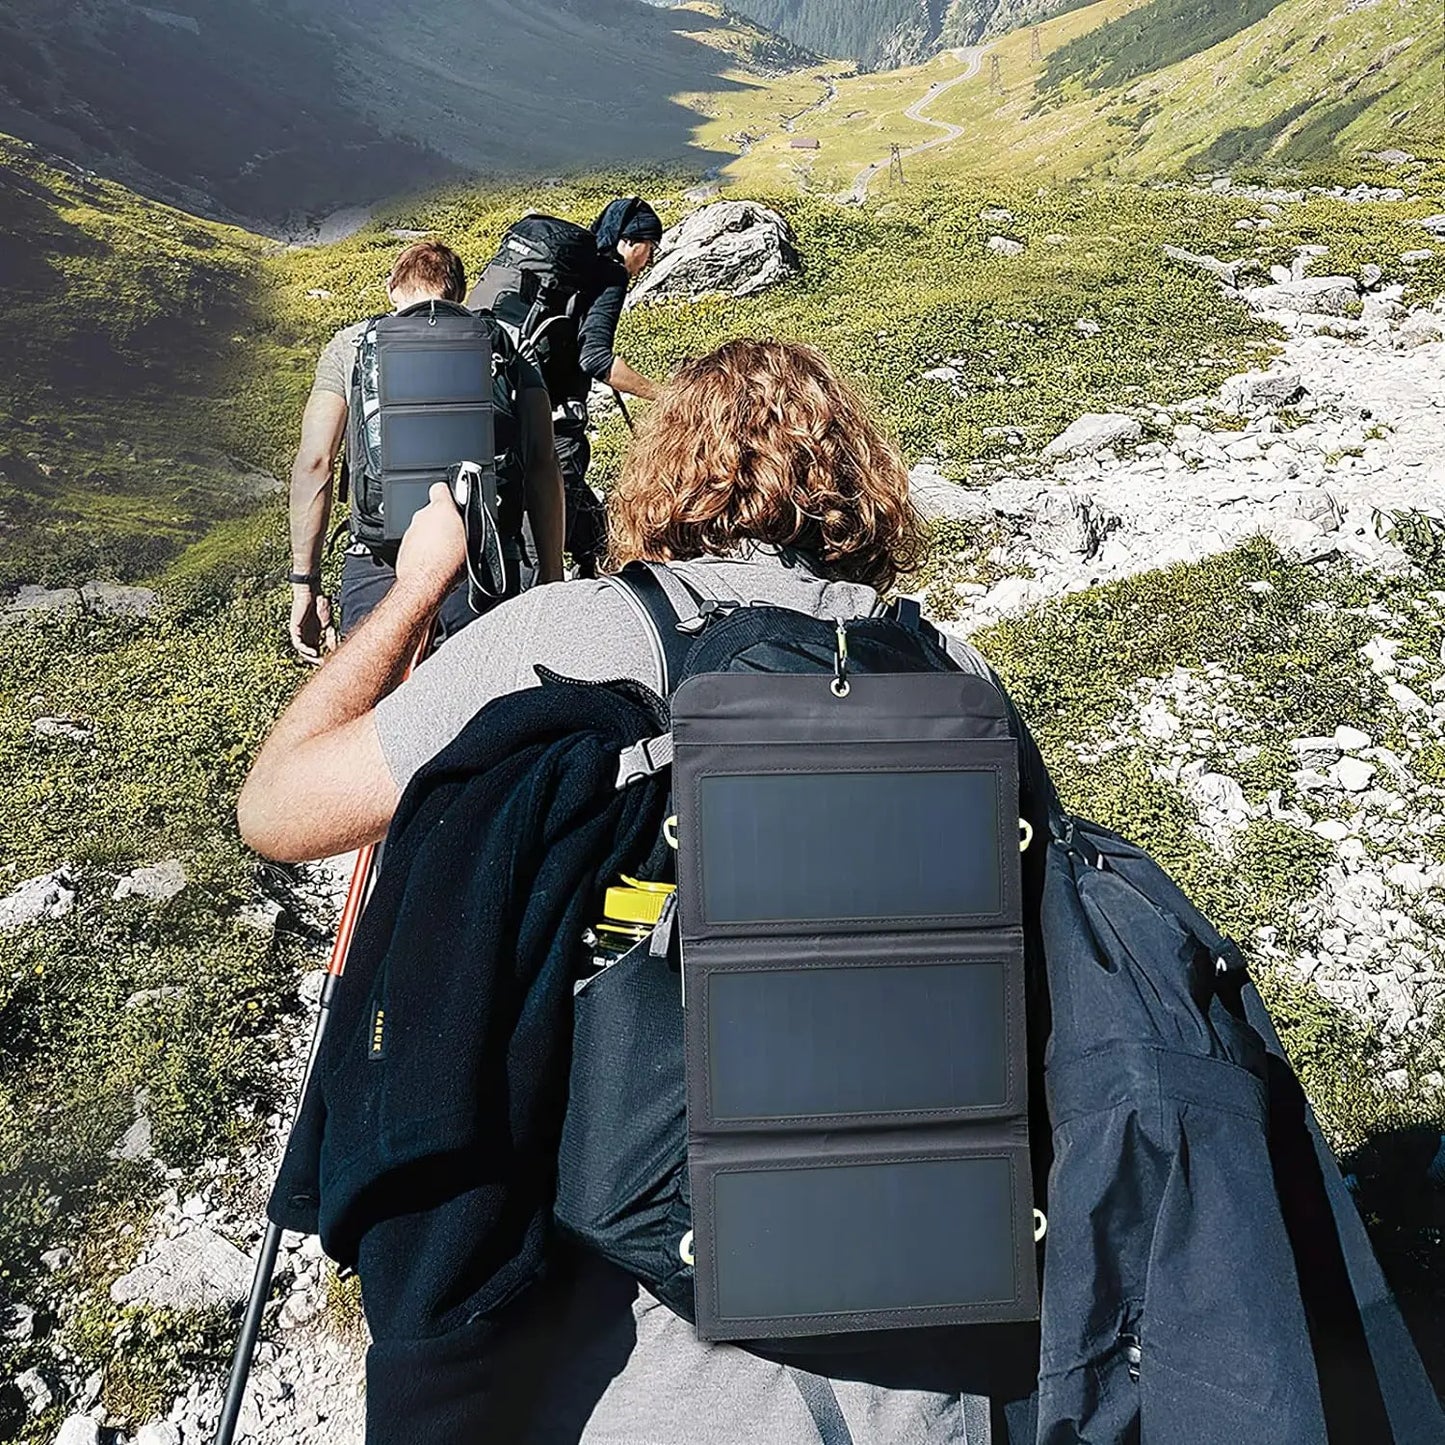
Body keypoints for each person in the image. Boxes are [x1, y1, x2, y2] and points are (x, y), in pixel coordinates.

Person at [287, 239, 565, 662]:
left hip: (381, 564)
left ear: (392, 289)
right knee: (481, 708)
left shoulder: (352, 345)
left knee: (378, 709)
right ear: (459, 295)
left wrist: (304, 584)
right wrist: (550, 571)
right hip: (480, 563)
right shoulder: (505, 343)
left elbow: (316, 463)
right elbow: (543, 462)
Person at [536, 197, 666, 578]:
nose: (650, 260)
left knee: (594, 533)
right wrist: (663, 396)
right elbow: (595, 359)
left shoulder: (572, 273)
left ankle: (599, 571)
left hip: (516, 412)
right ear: (630, 242)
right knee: (545, 544)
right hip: (557, 430)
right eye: (650, 248)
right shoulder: (610, 275)